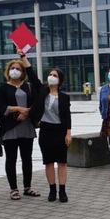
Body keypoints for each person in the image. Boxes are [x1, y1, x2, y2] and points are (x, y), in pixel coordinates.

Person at [0, 51, 39, 200]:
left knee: (27, 158)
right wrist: (17, 109)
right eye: (12, 68)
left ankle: (28, 187)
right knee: (11, 159)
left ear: (23, 72)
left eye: (18, 69)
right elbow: (0, 107)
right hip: (10, 128)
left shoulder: (29, 86)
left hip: (26, 127)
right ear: (8, 71)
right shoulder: (3, 87)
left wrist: (26, 112)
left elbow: (35, 103)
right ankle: (13, 189)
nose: (15, 71)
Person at [28, 61, 72, 203]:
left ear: (59, 80)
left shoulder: (64, 97)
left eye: (54, 75)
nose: (51, 77)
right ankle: (52, 190)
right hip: (46, 130)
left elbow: (67, 116)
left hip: (60, 131)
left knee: (62, 162)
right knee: (48, 162)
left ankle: (62, 191)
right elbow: (31, 74)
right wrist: (23, 56)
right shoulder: (42, 91)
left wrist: (68, 133)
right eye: (50, 75)